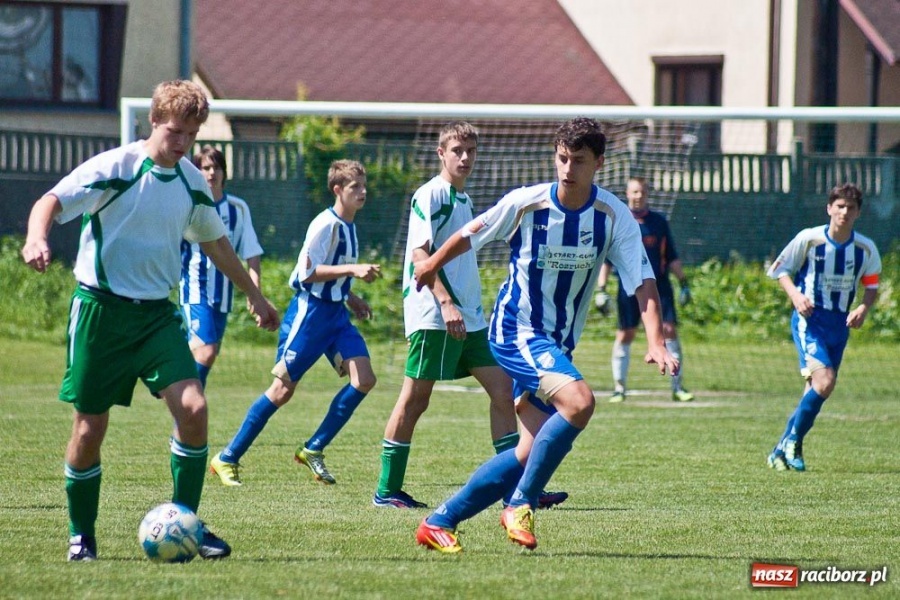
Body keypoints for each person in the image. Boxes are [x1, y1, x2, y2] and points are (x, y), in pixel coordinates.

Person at [20, 79, 280, 562]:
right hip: (100, 312)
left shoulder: (190, 180)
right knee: (87, 430)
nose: (181, 143)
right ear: (155, 121)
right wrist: (37, 238)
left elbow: (216, 242)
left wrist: (255, 296)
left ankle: (188, 524)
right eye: (174, 131)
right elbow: (50, 202)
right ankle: (82, 535)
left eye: (190, 134)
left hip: (157, 317)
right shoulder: (116, 166)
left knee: (195, 410)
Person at [412, 117, 678, 553]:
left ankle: (440, 520)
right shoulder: (527, 202)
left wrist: (655, 340)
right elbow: (471, 232)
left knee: (527, 453)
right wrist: (432, 263)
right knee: (580, 401)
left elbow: (643, 281)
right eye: (562, 158)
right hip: (515, 329)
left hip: (556, 342)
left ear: (599, 163)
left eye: (578, 161)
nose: (567, 169)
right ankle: (520, 504)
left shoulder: (613, 216)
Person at [373, 121, 567, 510]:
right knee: (415, 400)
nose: (464, 157)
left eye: (471, 151)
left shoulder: (463, 201)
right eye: (457, 150)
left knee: (503, 390)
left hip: (469, 318)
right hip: (434, 314)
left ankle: (518, 487)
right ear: (440, 153)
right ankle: (387, 490)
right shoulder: (430, 195)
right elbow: (419, 257)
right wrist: (445, 304)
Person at [210, 159, 380, 487]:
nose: (362, 192)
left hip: (336, 317)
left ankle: (314, 448)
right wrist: (352, 270)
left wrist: (351, 297)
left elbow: (333, 272)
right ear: (337, 190)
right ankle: (227, 457)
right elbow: (306, 274)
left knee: (365, 379)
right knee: (281, 390)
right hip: (310, 316)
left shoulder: (350, 225)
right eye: (354, 187)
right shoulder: (325, 224)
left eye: (363, 185)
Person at [766, 183, 881, 472]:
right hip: (810, 320)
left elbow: (871, 285)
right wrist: (795, 295)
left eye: (850, 208)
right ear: (829, 208)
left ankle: (780, 449)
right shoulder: (810, 239)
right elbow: (780, 269)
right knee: (825, 382)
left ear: (858, 213)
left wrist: (863, 308)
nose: (844, 212)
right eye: (839, 206)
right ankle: (793, 442)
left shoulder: (865, 248)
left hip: (839, 325)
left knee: (815, 388)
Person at [594, 176, 694, 403]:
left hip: (659, 287)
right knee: (626, 333)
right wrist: (601, 289)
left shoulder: (659, 222)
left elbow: (671, 257)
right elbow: (607, 260)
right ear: (627, 194)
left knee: (668, 330)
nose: (638, 196)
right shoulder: (618, 221)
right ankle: (619, 388)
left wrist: (684, 284)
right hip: (628, 288)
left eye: (642, 192)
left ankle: (677, 387)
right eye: (634, 192)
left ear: (647, 194)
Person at [180, 145, 264, 389]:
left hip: (223, 298)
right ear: (197, 172)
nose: (211, 172)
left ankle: (181, 418)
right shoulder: (188, 206)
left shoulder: (238, 208)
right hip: (194, 292)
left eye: (216, 167)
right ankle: (182, 403)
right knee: (205, 352)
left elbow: (252, 252)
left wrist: (254, 293)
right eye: (205, 167)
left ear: (224, 173)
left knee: (206, 355)